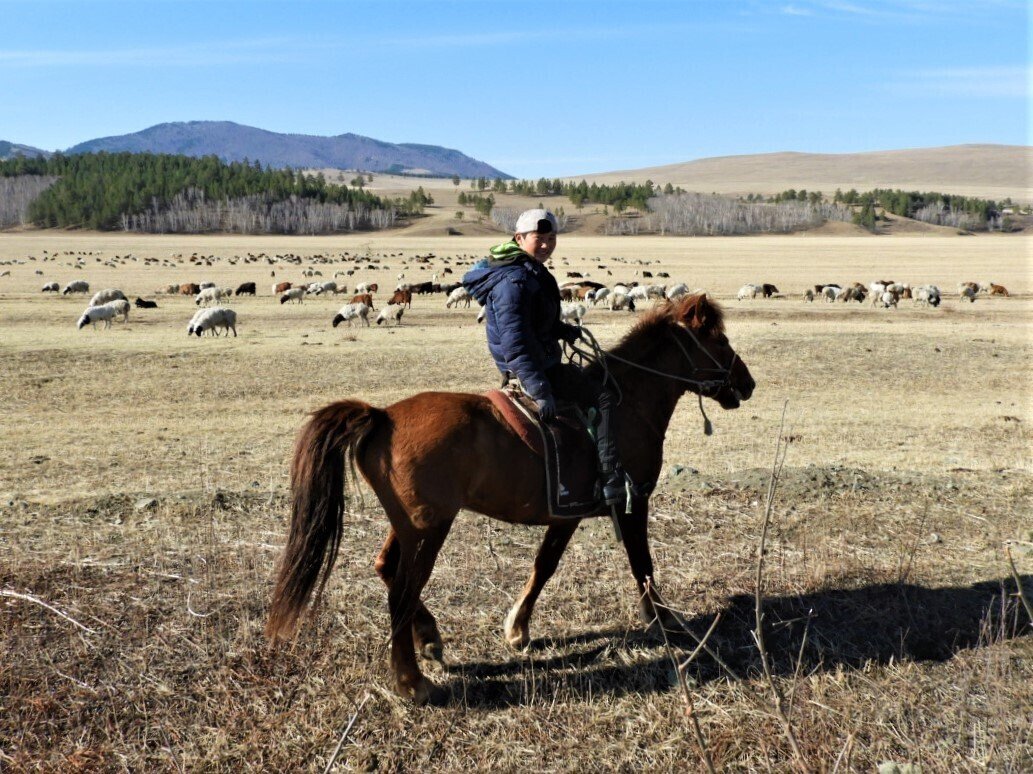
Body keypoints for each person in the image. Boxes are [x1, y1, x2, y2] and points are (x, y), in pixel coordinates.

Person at [463, 209, 625, 508]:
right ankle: (610, 483)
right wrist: (538, 388)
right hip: (534, 370)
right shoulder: (514, 281)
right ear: (519, 238)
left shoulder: (527, 270)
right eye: (539, 238)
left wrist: (562, 330)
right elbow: (514, 342)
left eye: (551, 238)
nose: (546, 245)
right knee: (603, 399)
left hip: (541, 362)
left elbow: (533, 322)